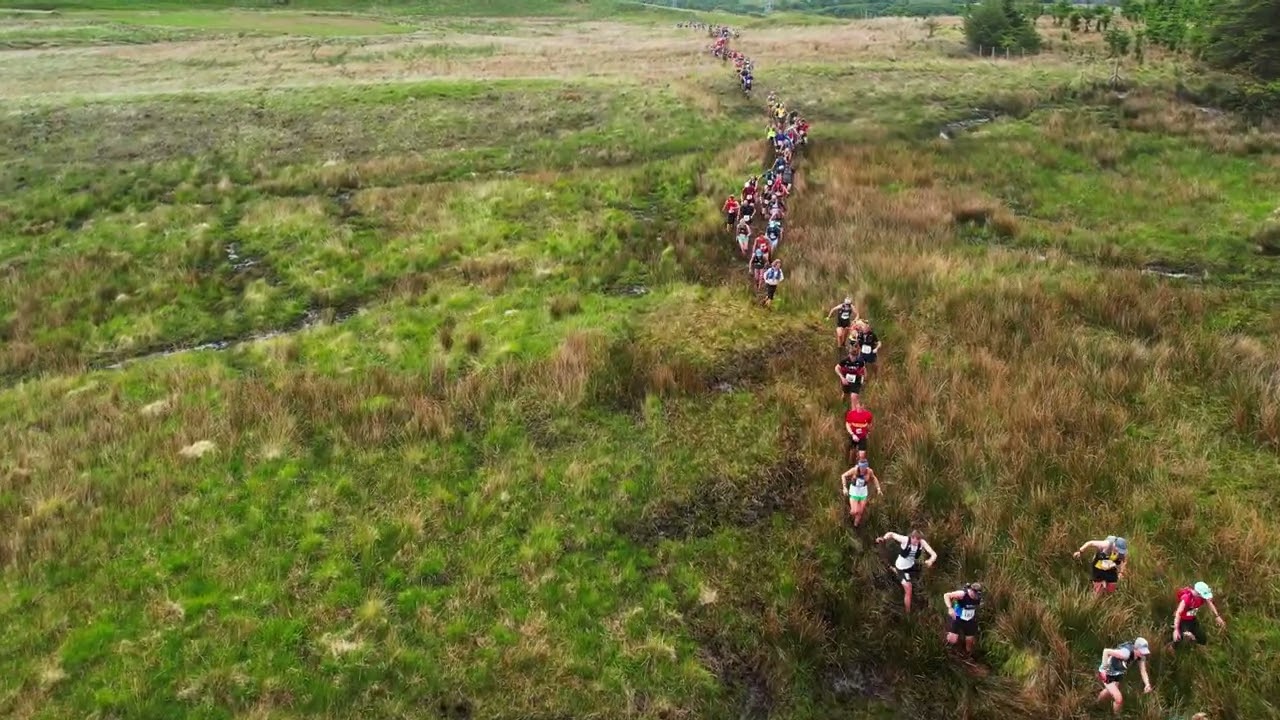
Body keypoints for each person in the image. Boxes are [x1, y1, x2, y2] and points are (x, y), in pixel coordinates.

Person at [875, 530, 937, 612]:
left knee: (928, 566)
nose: (916, 543)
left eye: (918, 541)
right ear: (912, 537)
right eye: (915, 540)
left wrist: (931, 560)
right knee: (908, 588)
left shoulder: (921, 542)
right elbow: (892, 534)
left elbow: (934, 554)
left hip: (911, 566)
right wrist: (884, 538)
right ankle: (908, 612)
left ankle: (924, 589)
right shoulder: (905, 540)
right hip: (901, 568)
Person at [1096, 638, 1152, 715]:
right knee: (1119, 699)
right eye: (1141, 651)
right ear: (1135, 649)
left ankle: (1097, 705)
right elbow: (1106, 651)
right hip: (1107, 673)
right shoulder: (1125, 653)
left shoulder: (1141, 657)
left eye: (1144, 651)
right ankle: (1116, 716)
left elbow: (1143, 671)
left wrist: (1147, 684)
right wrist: (1104, 670)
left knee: (1108, 691)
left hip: (1117, 673)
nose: (1143, 654)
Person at [1172, 581, 1225, 647]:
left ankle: (1196, 647)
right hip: (1183, 621)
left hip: (1192, 620)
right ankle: (1172, 647)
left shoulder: (1202, 598)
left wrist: (1217, 616)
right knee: (1180, 638)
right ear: (1198, 593)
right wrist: (1176, 629)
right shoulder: (1187, 598)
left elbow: (1210, 604)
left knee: (1202, 639)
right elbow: (1178, 613)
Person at [840, 452, 880, 527]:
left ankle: (855, 526)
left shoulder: (869, 471)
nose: (862, 470)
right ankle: (848, 516)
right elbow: (843, 475)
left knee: (860, 512)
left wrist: (878, 488)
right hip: (854, 491)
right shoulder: (854, 470)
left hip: (863, 492)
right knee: (855, 511)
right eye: (861, 468)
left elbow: (874, 478)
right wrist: (844, 487)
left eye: (864, 468)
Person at [943, 583, 983, 654]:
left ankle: (968, 656)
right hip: (957, 618)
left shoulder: (978, 597)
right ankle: (949, 652)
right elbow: (946, 595)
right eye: (975, 594)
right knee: (952, 640)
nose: (976, 596)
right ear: (971, 590)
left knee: (970, 642)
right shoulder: (962, 594)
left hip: (969, 619)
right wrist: (950, 608)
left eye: (978, 594)